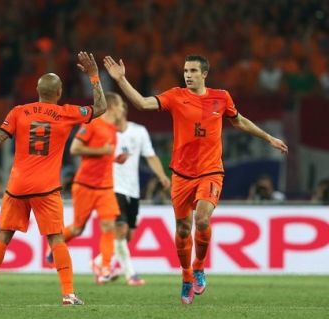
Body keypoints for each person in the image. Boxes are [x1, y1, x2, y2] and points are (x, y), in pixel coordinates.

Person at [103, 54, 288, 304]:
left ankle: (199, 266)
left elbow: (239, 121)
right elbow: (143, 104)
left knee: (202, 219)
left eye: (192, 71)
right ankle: (187, 275)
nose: (188, 75)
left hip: (211, 171)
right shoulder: (176, 96)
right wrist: (122, 80)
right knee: (182, 229)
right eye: (185, 70)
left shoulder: (221, 97)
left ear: (204, 74)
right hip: (181, 175)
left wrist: (269, 138)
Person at [0, 52, 107, 306]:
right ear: (59, 92)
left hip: (17, 186)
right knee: (56, 238)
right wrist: (94, 77)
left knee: (3, 235)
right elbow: (101, 108)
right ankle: (68, 294)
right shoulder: (67, 112)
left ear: (37, 90)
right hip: (46, 187)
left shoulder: (19, 111)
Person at [47, 92, 124, 284]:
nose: (123, 109)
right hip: (85, 185)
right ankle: (54, 245)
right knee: (78, 229)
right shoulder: (92, 124)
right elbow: (74, 149)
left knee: (109, 226)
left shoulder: (113, 129)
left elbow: (105, 156)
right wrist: (101, 152)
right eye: (121, 105)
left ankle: (105, 267)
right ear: (113, 106)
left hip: (105, 186)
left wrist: (115, 158)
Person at [91, 101, 171, 285]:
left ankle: (97, 263)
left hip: (132, 190)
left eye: (116, 107)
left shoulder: (139, 131)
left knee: (128, 236)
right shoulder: (104, 132)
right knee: (121, 229)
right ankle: (130, 275)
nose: (113, 111)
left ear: (123, 110)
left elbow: (150, 155)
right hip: (111, 187)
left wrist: (161, 176)